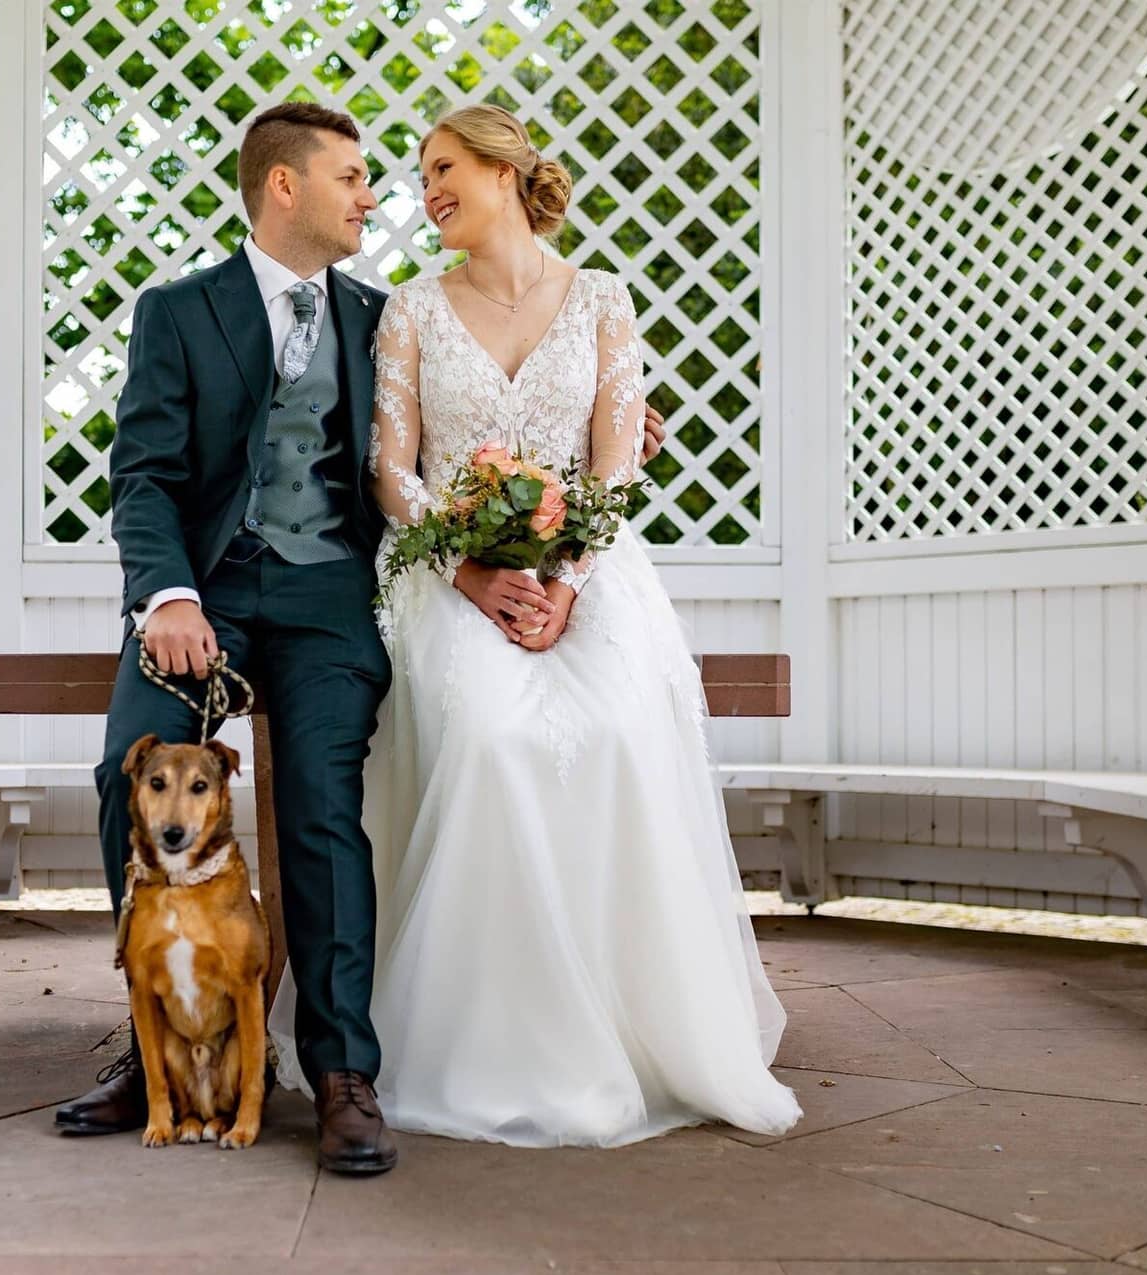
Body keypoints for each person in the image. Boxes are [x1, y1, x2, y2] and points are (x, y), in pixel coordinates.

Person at [50, 99, 675, 1171]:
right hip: (206, 595)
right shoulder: (178, 313)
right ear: (283, 185)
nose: (373, 196)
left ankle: (344, 1068)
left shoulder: (385, 315)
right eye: (352, 177)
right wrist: (169, 598)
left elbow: (431, 448)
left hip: (329, 599)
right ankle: (158, 1042)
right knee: (126, 764)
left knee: (323, 803)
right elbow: (143, 479)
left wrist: (607, 439)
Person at [270, 104, 802, 1147]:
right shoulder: (411, 313)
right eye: (418, 176)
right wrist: (471, 570)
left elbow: (614, 458)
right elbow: (391, 471)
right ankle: (485, 1043)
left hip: (586, 571)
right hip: (446, 573)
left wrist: (570, 572)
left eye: (444, 167)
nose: (425, 191)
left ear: (507, 170)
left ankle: (639, 1033)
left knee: (616, 730)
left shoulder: (602, 297)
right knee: (494, 735)